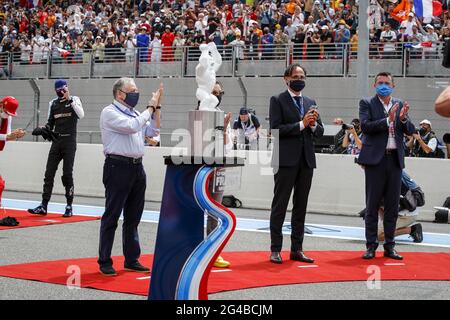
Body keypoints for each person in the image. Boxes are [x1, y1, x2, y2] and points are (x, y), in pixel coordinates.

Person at [98, 78, 163, 276]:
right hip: (117, 166)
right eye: (132, 90)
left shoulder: (136, 113)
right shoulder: (109, 112)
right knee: (112, 216)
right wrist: (150, 107)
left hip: (136, 167)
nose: (136, 93)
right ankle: (104, 260)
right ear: (120, 94)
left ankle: (131, 258)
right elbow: (133, 126)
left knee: (133, 217)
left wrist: (157, 106)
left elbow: (153, 130)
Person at [269, 64, 324, 264]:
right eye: (295, 76)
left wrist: (313, 124)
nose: (299, 79)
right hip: (284, 160)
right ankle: (275, 249)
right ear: (286, 78)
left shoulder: (311, 102)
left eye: (302, 76)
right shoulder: (277, 100)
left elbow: (320, 132)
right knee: (280, 206)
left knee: (301, 206)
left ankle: (297, 249)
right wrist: (301, 124)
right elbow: (275, 129)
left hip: (306, 160)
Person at [358, 72, 415, 260]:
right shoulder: (367, 103)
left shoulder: (399, 104)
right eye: (380, 83)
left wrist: (404, 119)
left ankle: (390, 246)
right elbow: (365, 126)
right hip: (376, 160)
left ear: (393, 85)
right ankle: (371, 246)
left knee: (392, 206)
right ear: (375, 85)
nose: (384, 85)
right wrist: (388, 120)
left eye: (387, 83)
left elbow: (410, 130)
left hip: (395, 160)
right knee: (372, 205)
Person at [28, 80, 84, 218]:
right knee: (49, 174)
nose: (61, 91)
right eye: (58, 89)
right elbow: (50, 123)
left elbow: (81, 114)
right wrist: (43, 129)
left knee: (67, 174)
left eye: (63, 88)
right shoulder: (53, 103)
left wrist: (70, 99)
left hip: (70, 141)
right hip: (56, 141)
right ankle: (44, 205)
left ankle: (69, 205)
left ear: (67, 88)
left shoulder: (75, 99)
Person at [206, 81, 233, 268]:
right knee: (196, 208)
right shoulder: (198, 114)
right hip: (200, 168)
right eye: (214, 92)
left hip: (219, 167)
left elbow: (228, 147)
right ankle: (192, 248)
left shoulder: (224, 116)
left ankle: (212, 252)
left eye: (220, 92)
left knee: (215, 211)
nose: (218, 95)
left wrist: (223, 129)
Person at [378, 171, 424, 244]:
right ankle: (387, 226)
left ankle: (412, 229)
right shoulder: (395, 170)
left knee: (379, 235)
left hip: (406, 213)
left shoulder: (392, 175)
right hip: (404, 208)